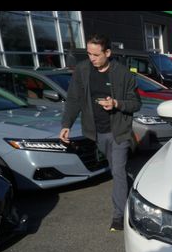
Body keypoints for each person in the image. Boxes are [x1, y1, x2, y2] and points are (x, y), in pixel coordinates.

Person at [60, 34, 141, 231]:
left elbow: (136, 104)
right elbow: (74, 99)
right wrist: (66, 124)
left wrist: (116, 103)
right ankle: (133, 191)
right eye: (89, 53)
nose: (92, 58)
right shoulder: (82, 70)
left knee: (119, 172)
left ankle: (119, 217)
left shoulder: (123, 74)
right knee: (117, 171)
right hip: (96, 132)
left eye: (96, 54)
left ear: (108, 52)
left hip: (119, 130)